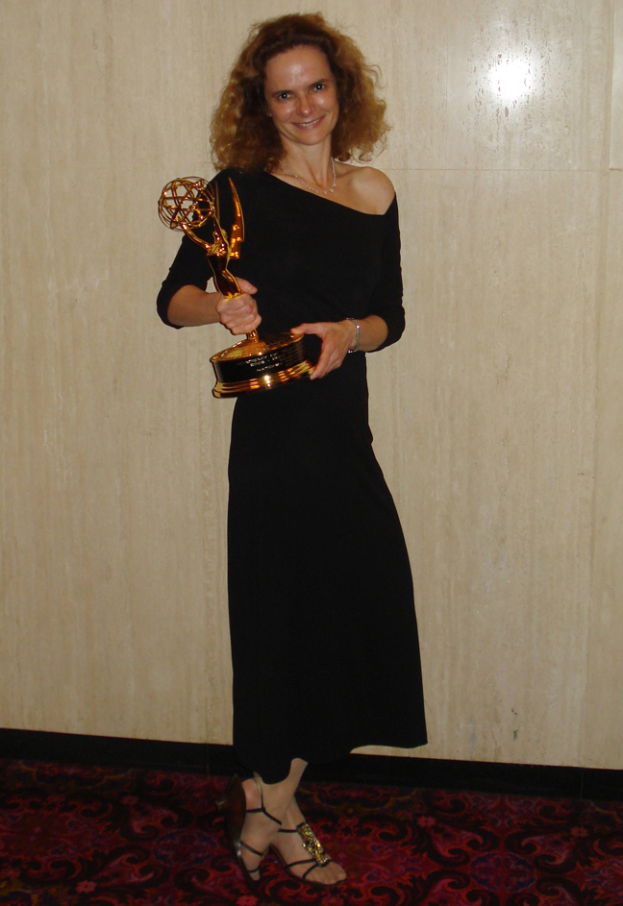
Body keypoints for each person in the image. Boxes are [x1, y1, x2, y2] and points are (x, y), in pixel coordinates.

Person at [157, 12, 427, 888]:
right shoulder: (235, 192)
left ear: (340, 90)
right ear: (260, 105)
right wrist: (222, 309)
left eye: (316, 86)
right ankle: (278, 812)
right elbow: (173, 298)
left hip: (344, 431)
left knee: (355, 605)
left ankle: (269, 802)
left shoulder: (375, 191)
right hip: (272, 439)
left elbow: (391, 314)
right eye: (284, 93)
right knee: (275, 617)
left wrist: (352, 330)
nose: (303, 104)